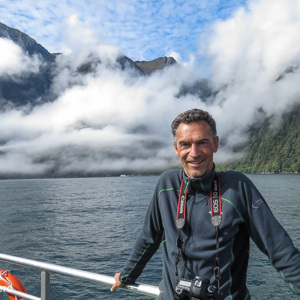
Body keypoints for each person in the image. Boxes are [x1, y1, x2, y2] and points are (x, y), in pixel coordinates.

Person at [111, 108, 300, 299]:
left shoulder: (238, 187)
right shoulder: (166, 185)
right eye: (185, 144)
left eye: (202, 142)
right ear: (176, 149)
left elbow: (279, 249)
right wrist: (126, 275)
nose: (194, 153)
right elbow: (148, 238)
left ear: (215, 144)